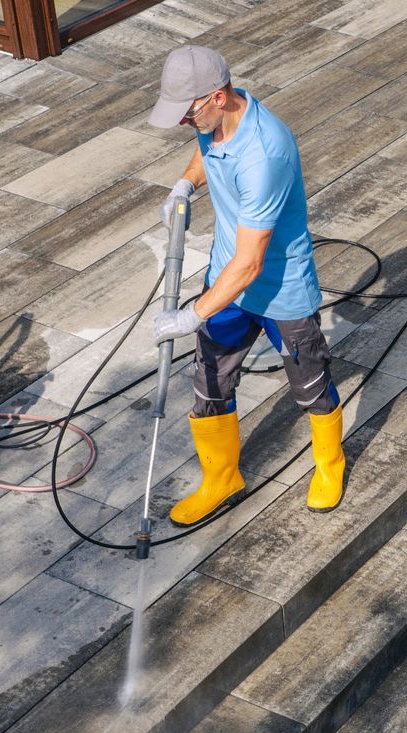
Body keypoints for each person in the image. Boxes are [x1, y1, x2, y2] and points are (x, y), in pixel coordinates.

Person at [147, 44, 342, 523]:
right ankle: (222, 478)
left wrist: (192, 315)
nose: (181, 122)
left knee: (309, 385)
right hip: (226, 281)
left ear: (217, 96)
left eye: (187, 112)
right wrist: (184, 186)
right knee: (210, 383)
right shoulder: (215, 121)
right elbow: (203, 152)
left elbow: (251, 263)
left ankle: (330, 464)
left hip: (279, 289)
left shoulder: (264, 154)